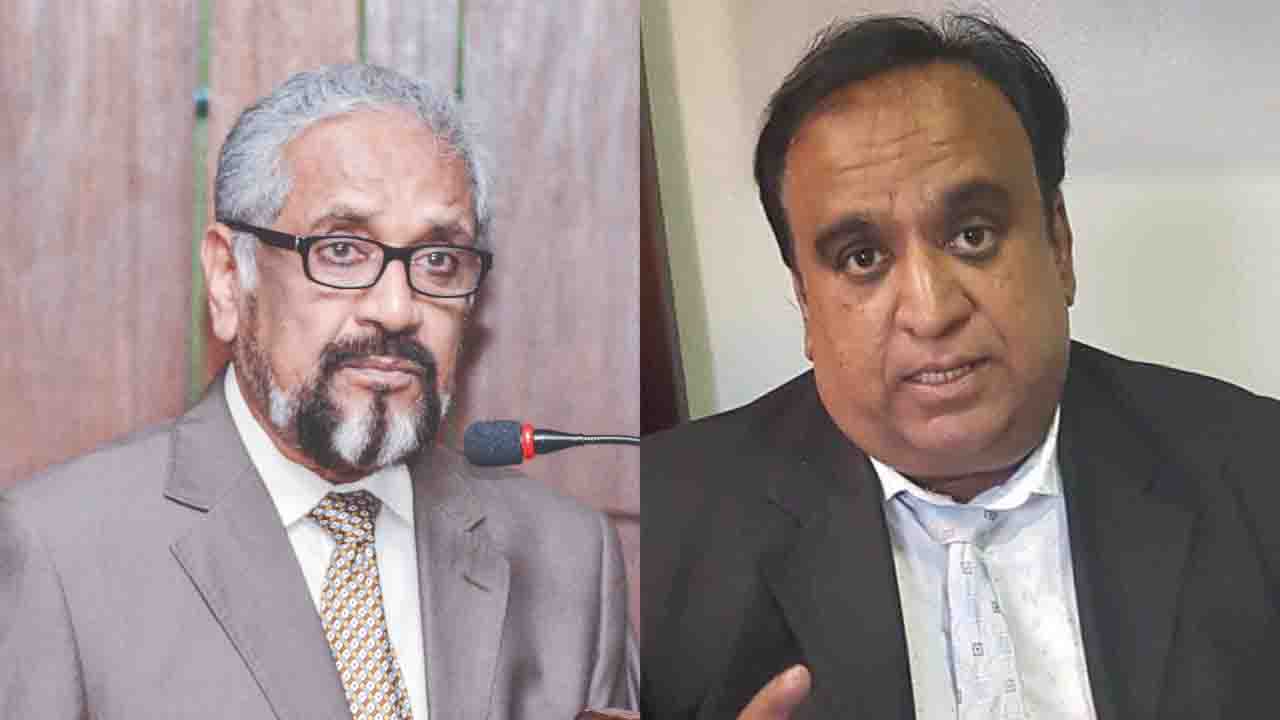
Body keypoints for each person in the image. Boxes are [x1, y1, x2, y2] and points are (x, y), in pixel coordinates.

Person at [642, 13, 1280, 720]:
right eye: (862, 258)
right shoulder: (659, 529)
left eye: (972, 235)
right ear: (804, 301)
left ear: (1059, 246)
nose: (931, 310)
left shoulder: (1259, 474)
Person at [1, 63, 637, 719]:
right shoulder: (60, 550)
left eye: (439, 260)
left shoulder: (568, 557)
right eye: (341, 251)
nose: (396, 309)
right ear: (229, 278)